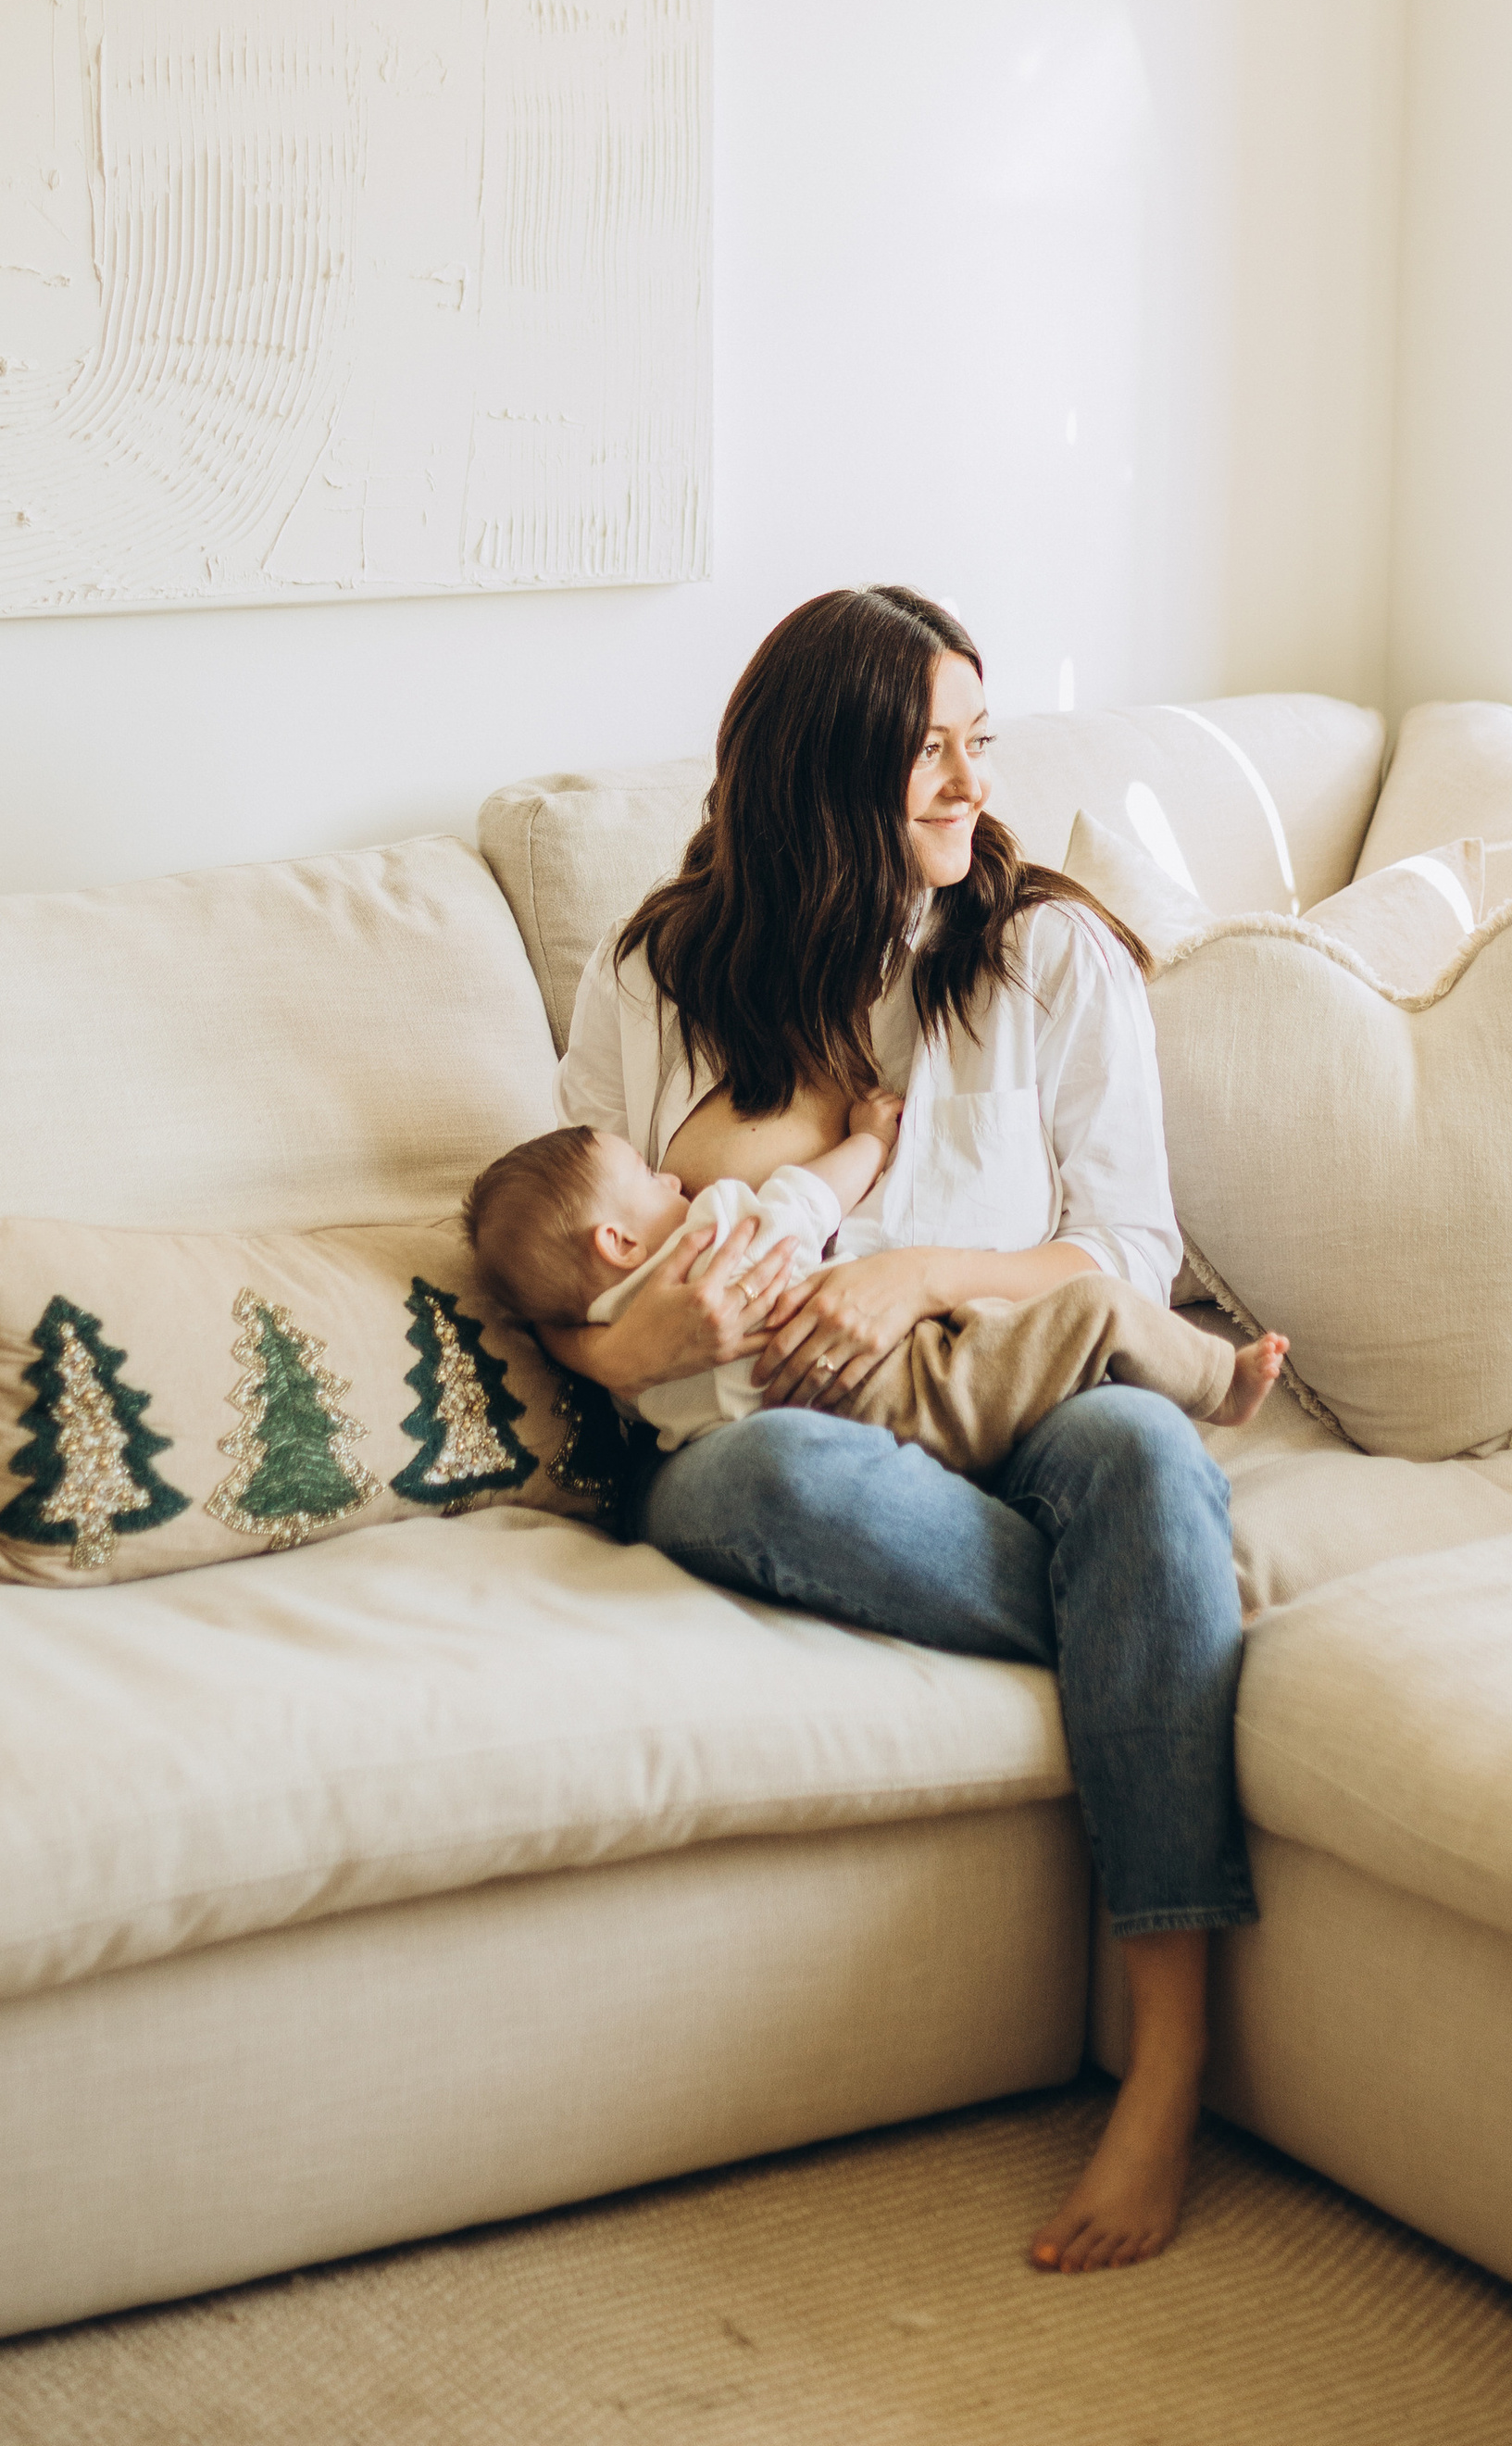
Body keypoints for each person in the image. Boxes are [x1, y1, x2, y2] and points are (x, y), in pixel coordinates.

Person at [541, 583, 1260, 2275]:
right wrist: (644, 1333)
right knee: (749, 1478)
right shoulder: (658, 976)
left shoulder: (1051, 957)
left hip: (1024, 1403)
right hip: (791, 1440)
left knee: (1145, 1456)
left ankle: (1167, 2060)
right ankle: (1156, 1629)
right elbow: (585, 1261)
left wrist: (919, 1269)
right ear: (820, 779)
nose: (967, 786)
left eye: (977, 745)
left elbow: (1128, 1258)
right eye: (928, 753)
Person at [466, 1110, 1288, 1464]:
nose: (670, 1177)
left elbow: (544, 1307)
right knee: (1096, 1309)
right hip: (897, 1384)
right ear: (616, 1239)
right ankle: (1224, 1383)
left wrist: (612, 1356)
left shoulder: (620, 1355)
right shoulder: (708, 1236)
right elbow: (803, 1197)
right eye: (648, 1176)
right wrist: (866, 1141)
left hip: (799, 1432)